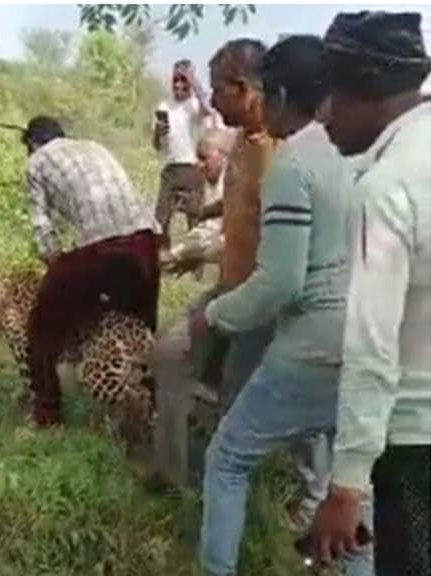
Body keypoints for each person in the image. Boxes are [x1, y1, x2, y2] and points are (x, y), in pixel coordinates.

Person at [194, 35, 379, 576]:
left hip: (315, 344)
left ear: (274, 94)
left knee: (228, 458)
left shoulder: (293, 165)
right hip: (371, 341)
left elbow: (279, 283)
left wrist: (214, 317)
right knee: (352, 480)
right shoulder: (360, 154)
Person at [309, 11, 431, 576]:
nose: (324, 115)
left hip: (417, 443)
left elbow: (371, 347)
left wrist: (346, 486)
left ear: (369, 87)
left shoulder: (386, 186)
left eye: (332, 94)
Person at [148, 39, 277, 489]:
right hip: (228, 290)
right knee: (168, 356)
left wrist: (205, 251)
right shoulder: (241, 141)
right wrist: (209, 211)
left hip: (261, 302)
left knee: (235, 397)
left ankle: (225, 492)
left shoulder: (280, 152)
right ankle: (171, 474)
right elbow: (240, 198)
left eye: (218, 90)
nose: (213, 102)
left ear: (244, 90)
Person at [20, 115, 161, 429]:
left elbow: (43, 229)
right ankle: (152, 405)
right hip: (146, 240)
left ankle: (47, 413)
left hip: (102, 247)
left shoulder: (36, 162)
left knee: (41, 328)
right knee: (140, 328)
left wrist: (56, 267)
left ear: (32, 144)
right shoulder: (94, 146)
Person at [153, 59, 214, 246]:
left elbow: (208, 109)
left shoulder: (195, 105)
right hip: (170, 169)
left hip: (193, 168)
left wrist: (193, 80)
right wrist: (158, 133)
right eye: (175, 80)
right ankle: (163, 256)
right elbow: (157, 145)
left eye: (183, 80)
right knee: (160, 221)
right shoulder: (164, 106)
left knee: (195, 220)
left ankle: (195, 261)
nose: (179, 85)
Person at [161, 128, 233, 280]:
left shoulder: (237, 179)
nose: (200, 164)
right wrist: (178, 252)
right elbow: (209, 228)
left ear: (223, 156)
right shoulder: (209, 181)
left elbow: (229, 210)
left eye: (204, 158)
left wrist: (183, 253)